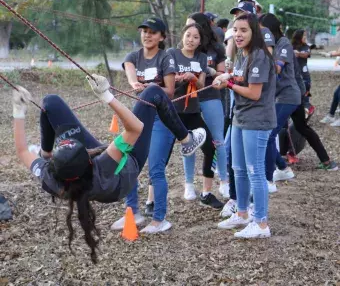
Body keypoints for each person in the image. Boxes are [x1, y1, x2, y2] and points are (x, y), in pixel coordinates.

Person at [13, 76, 206, 263]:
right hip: (127, 169)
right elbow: (135, 128)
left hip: (83, 175)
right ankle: (187, 140)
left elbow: (22, 150)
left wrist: (18, 111)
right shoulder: (103, 163)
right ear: (90, 158)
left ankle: (45, 152)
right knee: (153, 93)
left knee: (50, 103)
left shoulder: (51, 176)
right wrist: (106, 96)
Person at [212, 12, 276, 238]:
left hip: (257, 120)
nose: (238, 35)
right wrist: (224, 77)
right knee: (238, 169)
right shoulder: (242, 55)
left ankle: (261, 224)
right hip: (240, 117)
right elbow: (238, 77)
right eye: (235, 30)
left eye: (244, 30)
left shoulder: (260, 55)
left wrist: (228, 83)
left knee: (255, 171)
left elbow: (254, 93)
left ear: (254, 32)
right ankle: (242, 213)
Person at [112, 16, 176, 234]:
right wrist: (134, 84)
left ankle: (159, 219)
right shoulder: (133, 56)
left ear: (162, 37)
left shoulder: (165, 58)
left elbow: (169, 91)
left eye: (152, 32)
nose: (147, 35)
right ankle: (132, 212)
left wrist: (149, 88)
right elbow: (131, 75)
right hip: (138, 117)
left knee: (156, 168)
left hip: (160, 118)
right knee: (128, 163)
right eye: (144, 31)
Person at [167, 23, 224, 208]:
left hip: (193, 112)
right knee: (163, 154)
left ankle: (206, 193)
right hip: (172, 112)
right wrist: (177, 79)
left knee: (210, 148)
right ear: (182, 36)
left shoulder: (201, 58)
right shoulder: (171, 54)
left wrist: (193, 78)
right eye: (188, 35)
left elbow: (200, 86)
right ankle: (152, 201)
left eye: (196, 37)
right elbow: (166, 84)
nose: (191, 40)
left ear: (200, 41)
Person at [274, 49, 338, 181]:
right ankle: (326, 161)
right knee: (301, 127)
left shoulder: (281, 47)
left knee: (270, 132)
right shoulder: (283, 48)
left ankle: (280, 167)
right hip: (293, 95)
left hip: (288, 97)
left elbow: (279, 72)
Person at [186, 13, 229, 200]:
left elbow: (222, 73)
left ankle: (224, 181)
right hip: (190, 99)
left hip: (211, 96)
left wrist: (212, 72)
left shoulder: (217, 48)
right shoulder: (184, 49)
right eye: (186, 28)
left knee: (217, 139)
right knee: (188, 141)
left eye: (192, 26)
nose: (188, 31)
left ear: (202, 27)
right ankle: (189, 184)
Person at [259, 13, 301, 193]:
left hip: (288, 95)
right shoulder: (265, 46)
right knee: (267, 134)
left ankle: (269, 179)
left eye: (261, 29)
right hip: (277, 96)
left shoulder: (283, 43)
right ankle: (283, 168)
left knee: (268, 134)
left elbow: (277, 68)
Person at [292, 29, 314, 116]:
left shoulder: (306, 46)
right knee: (295, 98)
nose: (305, 37)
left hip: (305, 77)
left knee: (305, 98)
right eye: (304, 35)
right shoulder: (291, 46)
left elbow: (306, 54)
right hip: (294, 76)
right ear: (299, 37)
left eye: (306, 35)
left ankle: (306, 114)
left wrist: (298, 53)